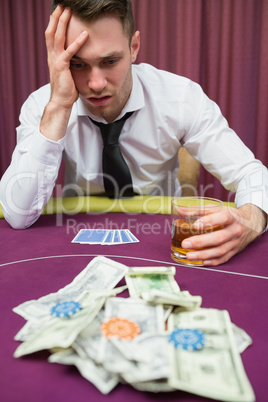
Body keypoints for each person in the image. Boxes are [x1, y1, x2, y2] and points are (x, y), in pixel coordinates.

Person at [0, 0, 267, 267]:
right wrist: (58, 106)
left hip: (161, 242)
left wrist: (251, 219)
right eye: (78, 64)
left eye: (110, 60)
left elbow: (250, 173)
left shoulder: (180, 97)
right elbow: (18, 214)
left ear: (134, 47)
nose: (96, 84)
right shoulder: (42, 106)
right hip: (73, 242)